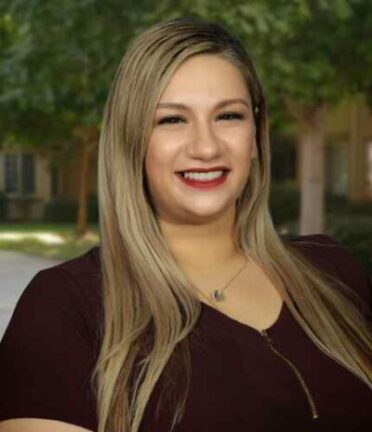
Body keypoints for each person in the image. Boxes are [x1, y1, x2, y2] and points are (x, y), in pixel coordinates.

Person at [0, 17, 371, 432]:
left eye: (228, 116)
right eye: (172, 120)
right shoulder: (64, 308)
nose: (206, 146)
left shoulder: (334, 270)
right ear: (131, 141)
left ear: (255, 132)